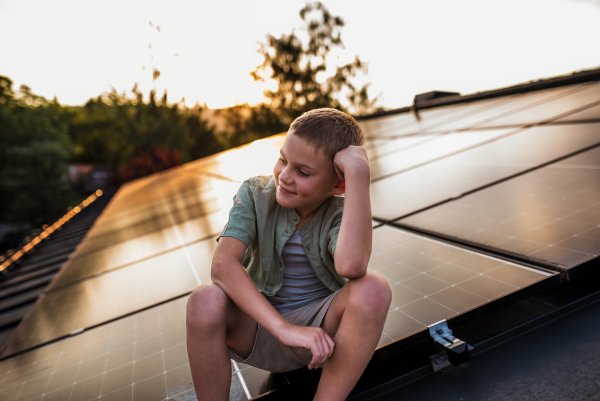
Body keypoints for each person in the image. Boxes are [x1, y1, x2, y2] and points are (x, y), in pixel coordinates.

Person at [186, 108, 392, 401]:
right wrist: (284, 329)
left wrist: (359, 175)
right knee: (204, 299)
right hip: (257, 331)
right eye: (283, 159)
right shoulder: (255, 193)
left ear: (338, 183)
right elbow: (222, 266)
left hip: (321, 338)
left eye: (303, 172)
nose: (284, 176)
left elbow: (352, 266)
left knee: (374, 288)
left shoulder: (342, 215)